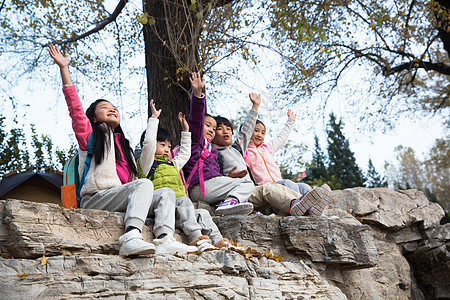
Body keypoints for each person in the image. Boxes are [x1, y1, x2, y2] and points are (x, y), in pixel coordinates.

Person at [49, 44, 194, 256]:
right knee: (143, 185)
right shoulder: (92, 135)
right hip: (97, 197)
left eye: (114, 108)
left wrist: (153, 120)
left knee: (165, 192)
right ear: (94, 118)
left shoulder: (124, 145)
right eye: (104, 108)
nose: (112, 109)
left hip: (120, 196)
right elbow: (76, 110)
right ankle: (132, 236)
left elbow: (146, 158)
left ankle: (164, 239)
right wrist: (64, 69)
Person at [212, 93, 330, 216]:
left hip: (276, 183)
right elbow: (246, 130)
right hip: (264, 187)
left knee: (304, 186)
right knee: (288, 184)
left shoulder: (264, 149)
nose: (259, 134)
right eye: (220, 129)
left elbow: (281, 138)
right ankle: (301, 210)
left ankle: (318, 214)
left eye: (262, 132)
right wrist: (255, 107)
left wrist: (290, 121)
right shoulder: (243, 150)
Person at [137, 100, 231, 250]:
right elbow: (148, 143)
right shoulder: (147, 163)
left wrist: (186, 131)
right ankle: (196, 238)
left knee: (202, 213)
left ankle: (218, 241)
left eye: (169, 146)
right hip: (159, 204)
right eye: (162, 145)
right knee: (184, 201)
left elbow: (185, 153)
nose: (167, 149)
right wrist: (154, 119)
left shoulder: (172, 164)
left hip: (178, 207)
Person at [183, 72, 254, 216]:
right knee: (247, 184)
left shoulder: (213, 151)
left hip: (212, 186)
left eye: (214, 128)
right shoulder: (196, 141)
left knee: (246, 184)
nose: (211, 130)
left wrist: (229, 178)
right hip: (201, 187)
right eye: (208, 125)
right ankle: (231, 201)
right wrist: (198, 93)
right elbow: (196, 119)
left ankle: (231, 203)